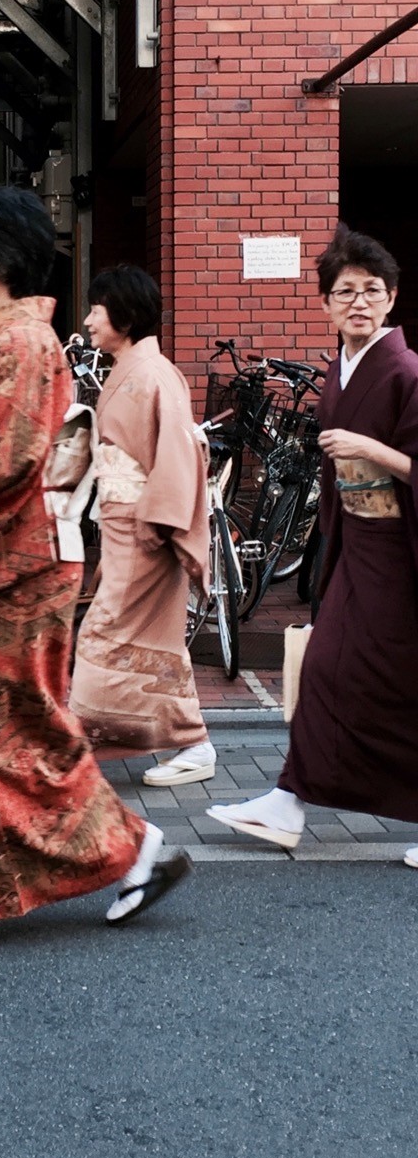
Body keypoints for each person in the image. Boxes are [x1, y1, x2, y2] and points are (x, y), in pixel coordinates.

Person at [0, 189, 191, 947]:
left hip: (16, 568)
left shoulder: (18, 342)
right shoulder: (18, 336)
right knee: (14, 724)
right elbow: (3, 450)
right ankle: (60, 868)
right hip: (24, 562)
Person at [207, 224, 418, 857]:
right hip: (356, 546)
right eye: (344, 291)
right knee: (330, 671)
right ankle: (287, 801)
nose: (358, 301)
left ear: (392, 299)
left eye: (371, 290)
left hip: (400, 551)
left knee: (386, 678)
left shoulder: (405, 370)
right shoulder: (341, 372)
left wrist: (370, 449)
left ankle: (289, 802)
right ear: (325, 303)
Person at [69, 267, 215, 787]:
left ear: (124, 315)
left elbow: (179, 454)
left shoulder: (152, 374)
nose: (87, 319)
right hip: (127, 526)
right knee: (152, 644)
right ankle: (192, 742)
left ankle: (77, 742)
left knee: (103, 635)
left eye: (96, 308)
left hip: (146, 529)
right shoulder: (130, 369)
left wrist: (159, 523)